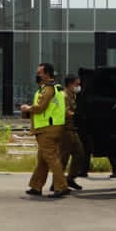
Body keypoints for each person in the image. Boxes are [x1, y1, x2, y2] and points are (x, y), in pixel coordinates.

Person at [20, 62, 70, 198]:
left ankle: (61, 187)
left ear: (47, 74)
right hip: (52, 127)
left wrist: (27, 108)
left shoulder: (48, 89)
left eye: (40, 72)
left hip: (47, 129)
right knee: (42, 159)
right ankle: (36, 187)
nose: (38, 75)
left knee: (51, 158)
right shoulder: (58, 88)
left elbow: (41, 107)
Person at [59, 72, 87, 190]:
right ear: (70, 84)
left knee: (80, 154)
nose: (78, 87)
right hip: (65, 130)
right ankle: (57, 182)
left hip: (73, 130)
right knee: (63, 158)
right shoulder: (63, 96)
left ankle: (70, 179)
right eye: (77, 84)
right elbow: (65, 112)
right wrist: (76, 115)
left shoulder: (73, 96)